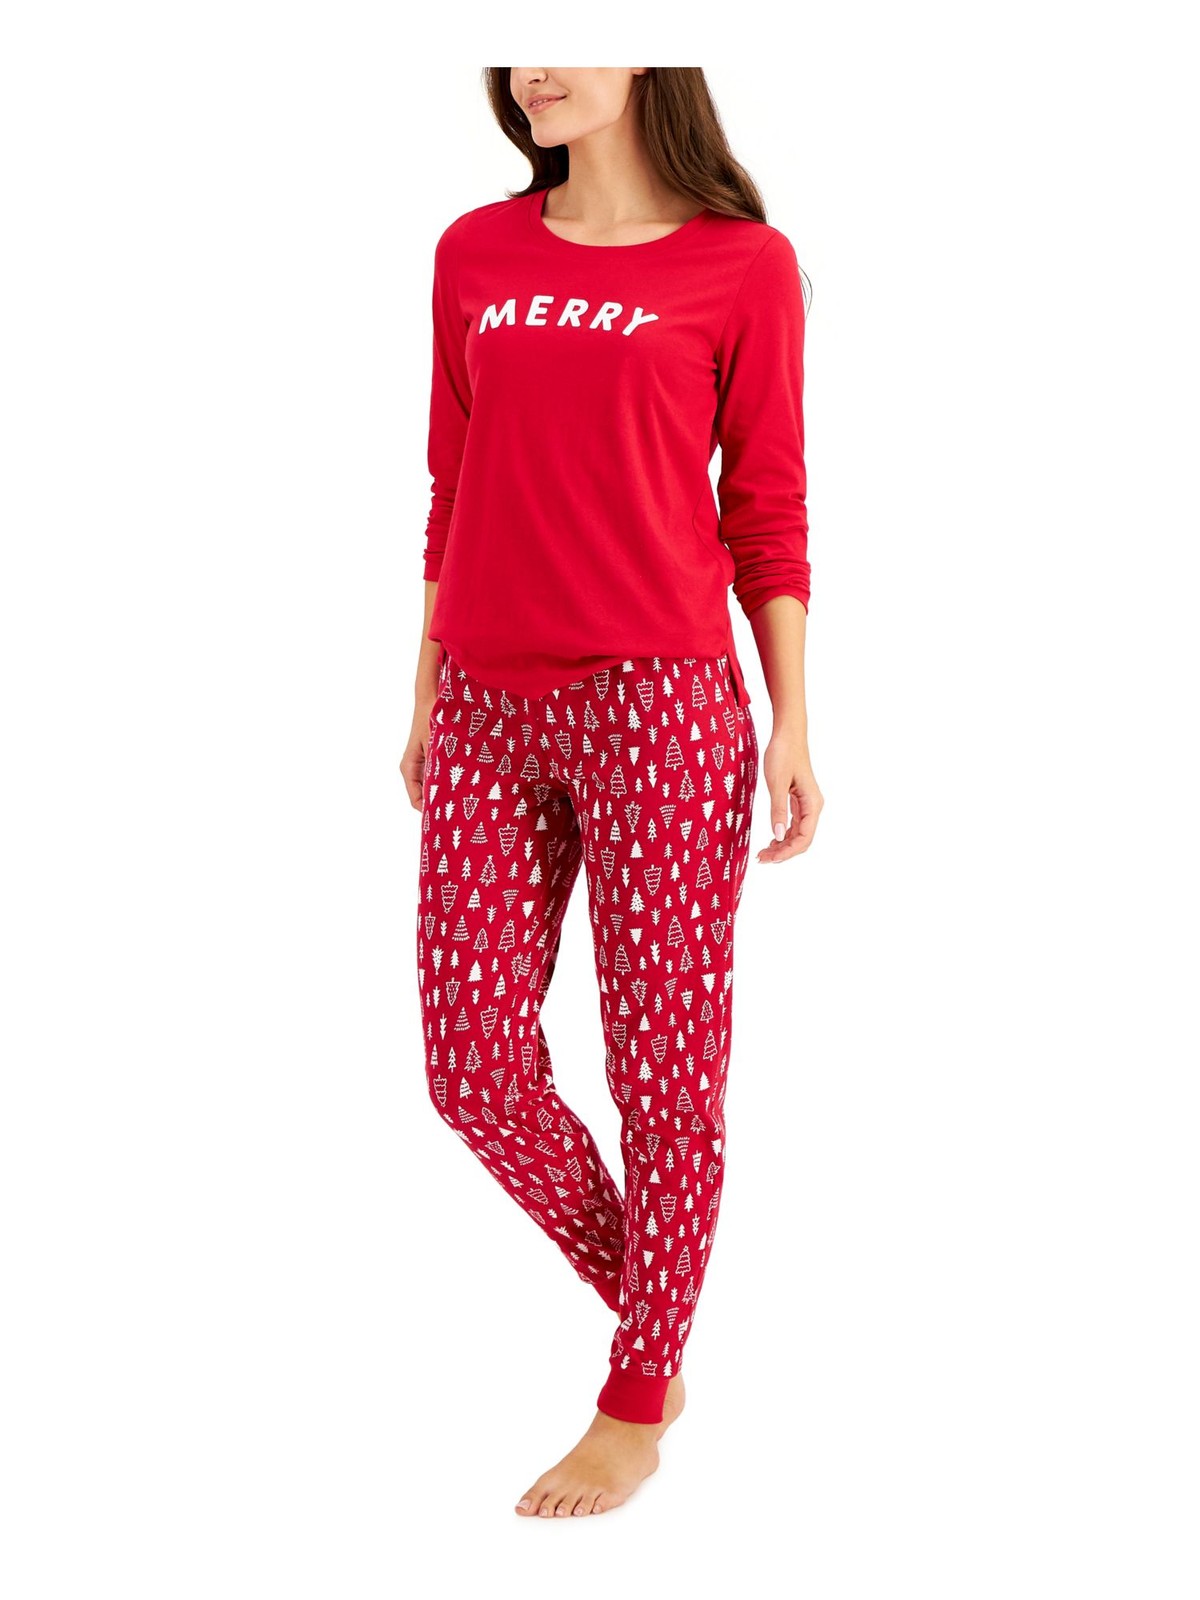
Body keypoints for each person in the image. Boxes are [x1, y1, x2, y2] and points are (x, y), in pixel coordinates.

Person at [399, 66, 824, 1517]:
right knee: (472, 1065)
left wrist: (792, 719)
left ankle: (637, 1400)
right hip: (486, 698)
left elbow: (767, 505)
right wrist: (426, 685)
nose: (536, 63)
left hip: (660, 705)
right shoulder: (473, 251)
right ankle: (659, 1317)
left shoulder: (743, 266)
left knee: (664, 1069)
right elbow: (454, 482)